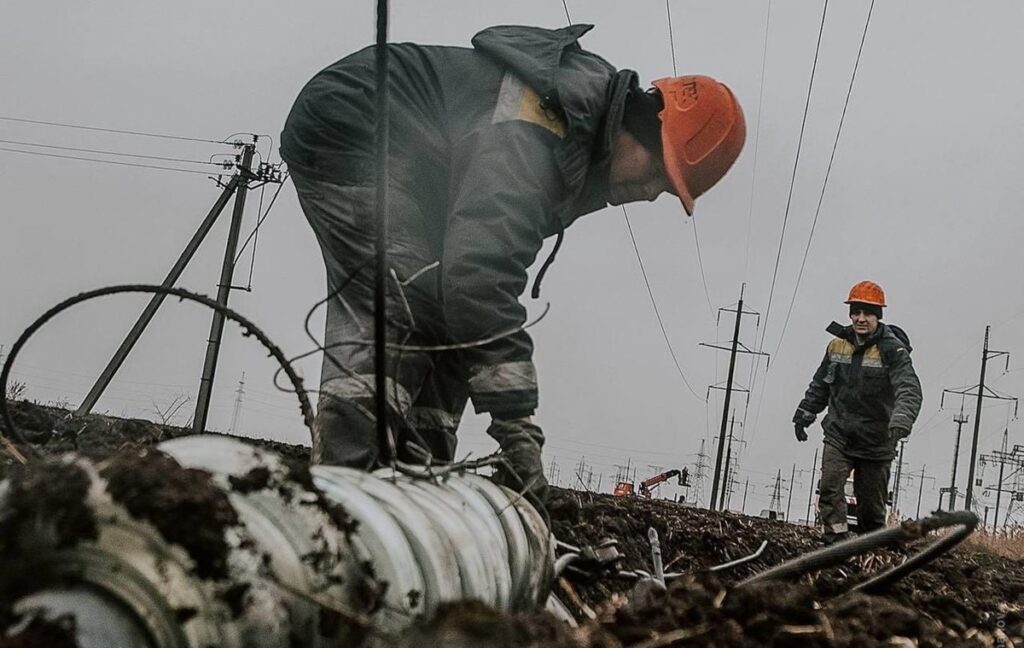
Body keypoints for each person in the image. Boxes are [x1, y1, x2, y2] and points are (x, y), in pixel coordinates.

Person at [281, 24, 746, 497]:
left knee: (451, 317)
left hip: (424, 164)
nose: (649, 194)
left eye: (665, 191)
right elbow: (480, 276)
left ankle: (417, 486)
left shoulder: (575, 150)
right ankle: (343, 491)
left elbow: (472, 295)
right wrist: (516, 427)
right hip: (356, 123)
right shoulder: (540, 128)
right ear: (642, 128)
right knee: (405, 295)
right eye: (658, 173)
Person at [793, 281, 922, 543]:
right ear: (850, 314)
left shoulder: (893, 350)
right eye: (856, 312)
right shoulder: (836, 346)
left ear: (878, 316)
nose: (861, 319)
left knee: (871, 507)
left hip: (877, 441)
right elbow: (820, 384)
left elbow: (909, 389)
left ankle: (870, 546)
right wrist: (805, 413)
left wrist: (901, 419)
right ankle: (836, 540)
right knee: (829, 488)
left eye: (868, 313)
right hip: (839, 433)